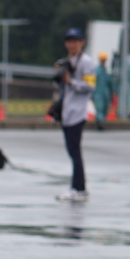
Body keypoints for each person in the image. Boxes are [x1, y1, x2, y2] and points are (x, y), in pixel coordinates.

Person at [53, 28, 96, 202]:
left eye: (75, 41)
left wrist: (72, 82)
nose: (72, 44)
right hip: (66, 112)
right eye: (69, 41)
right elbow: (60, 86)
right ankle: (79, 187)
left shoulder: (87, 62)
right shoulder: (66, 62)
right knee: (72, 151)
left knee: (75, 151)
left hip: (78, 112)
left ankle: (78, 188)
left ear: (82, 43)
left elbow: (90, 86)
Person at [92, 52, 114, 132]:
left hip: (106, 93)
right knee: (99, 107)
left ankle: (101, 120)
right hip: (98, 92)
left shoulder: (108, 70)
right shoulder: (96, 70)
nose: (103, 61)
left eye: (104, 60)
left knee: (105, 108)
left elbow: (111, 83)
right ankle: (100, 122)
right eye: (102, 60)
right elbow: (92, 83)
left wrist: (112, 93)